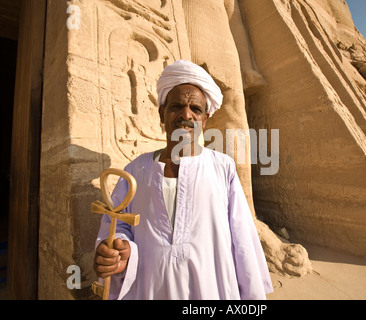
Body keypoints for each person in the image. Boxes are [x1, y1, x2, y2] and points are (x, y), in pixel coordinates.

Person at [94, 60, 273, 300]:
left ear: (205, 119)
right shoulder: (135, 170)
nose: (186, 114)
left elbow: (242, 240)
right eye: (176, 106)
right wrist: (118, 250)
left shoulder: (223, 168)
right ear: (162, 113)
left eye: (196, 109)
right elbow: (117, 226)